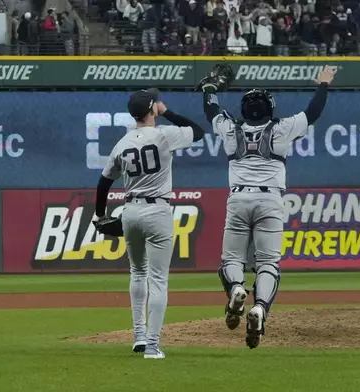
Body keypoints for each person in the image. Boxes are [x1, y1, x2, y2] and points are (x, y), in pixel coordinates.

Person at [201, 66, 336, 348]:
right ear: (269, 109)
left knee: (231, 261)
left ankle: (237, 289)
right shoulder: (281, 128)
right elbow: (313, 112)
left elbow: (212, 113)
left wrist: (209, 89)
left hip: (238, 199)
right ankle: (260, 308)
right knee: (268, 263)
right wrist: (323, 84)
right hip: (270, 200)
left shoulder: (230, 129)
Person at [93, 88, 204, 359]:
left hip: (129, 210)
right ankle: (152, 346)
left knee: (138, 272)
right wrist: (167, 112)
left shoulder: (122, 143)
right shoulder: (164, 135)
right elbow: (197, 131)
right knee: (158, 280)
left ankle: (139, 336)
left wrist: (99, 214)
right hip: (158, 210)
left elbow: (104, 181)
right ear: (153, 108)